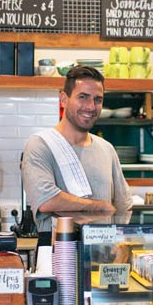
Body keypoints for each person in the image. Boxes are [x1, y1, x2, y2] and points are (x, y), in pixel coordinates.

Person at [22, 66, 132, 244]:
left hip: (101, 250)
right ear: (64, 99)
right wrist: (100, 207)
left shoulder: (106, 149)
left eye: (98, 99)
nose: (91, 106)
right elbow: (47, 201)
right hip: (58, 250)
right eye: (83, 97)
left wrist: (120, 243)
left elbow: (123, 204)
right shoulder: (41, 145)